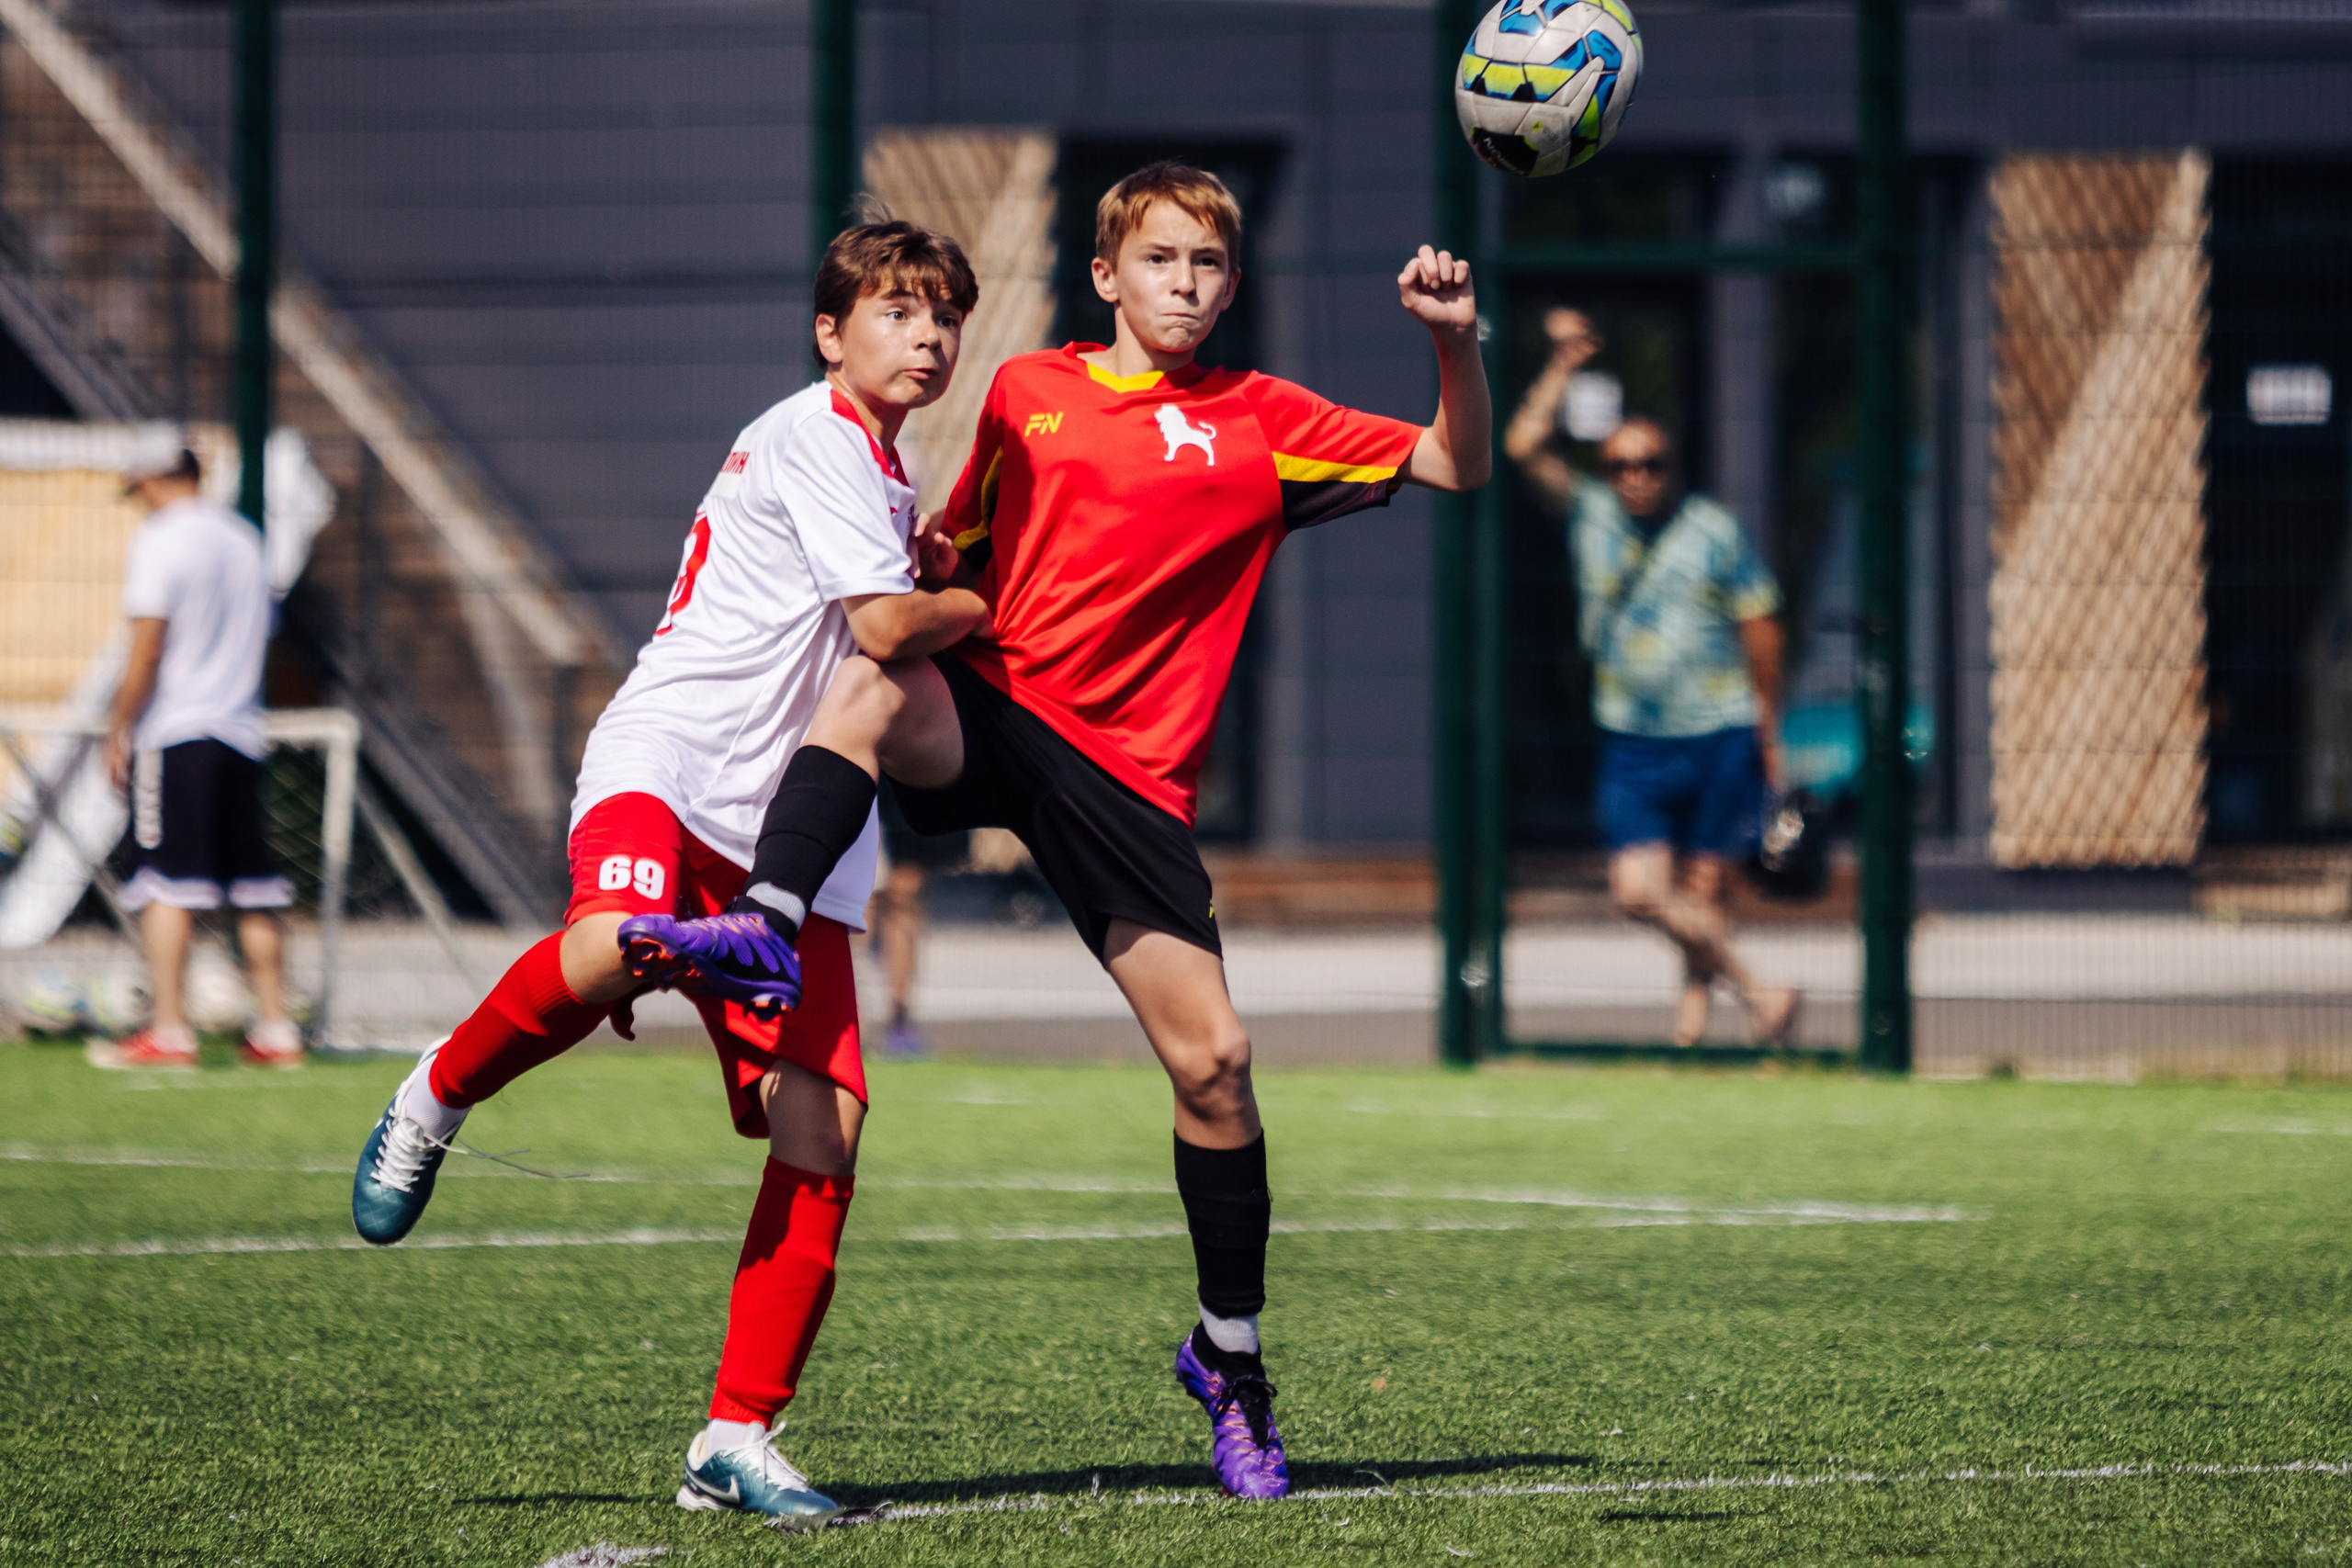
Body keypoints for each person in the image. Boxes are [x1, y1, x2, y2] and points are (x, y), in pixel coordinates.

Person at [617, 162, 1491, 1501]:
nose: (1184, 286)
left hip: (1132, 784)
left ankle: (1231, 1361)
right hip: (1003, 709)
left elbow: (1452, 460)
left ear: (1231, 284)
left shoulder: (1263, 421)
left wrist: (1452, 344)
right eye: (1159, 261)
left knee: (1219, 1064)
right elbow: (950, 554)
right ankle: (766, 921)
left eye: (1207, 265)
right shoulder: (1029, 394)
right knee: (875, 682)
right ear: (1107, 276)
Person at [345, 220, 990, 1525]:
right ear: (831, 332)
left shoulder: (884, 469)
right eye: (897, 311)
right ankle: (434, 1093)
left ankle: (734, 1439)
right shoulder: (814, 433)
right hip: (675, 759)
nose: (926, 336)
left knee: (826, 1127)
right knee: (607, 944)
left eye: (943, 316)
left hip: (793, 826)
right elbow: (882, 627)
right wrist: (988, 599)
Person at [1506, 311, 1800, 1049]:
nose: (1635, 477)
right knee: (1640, 893)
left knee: (1703, 891)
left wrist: (1770, 731)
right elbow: (1520, 445)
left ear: (1672, 466)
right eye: (1621, 465)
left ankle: (1693, 1031)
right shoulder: (1590, 514)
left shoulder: (1710, 530)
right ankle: (1763, 990)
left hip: (1717, 727)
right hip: (1633, 736)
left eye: (1650, 464)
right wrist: (1564, 364)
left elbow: (1761, 624)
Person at [89, 437, 300, 1070]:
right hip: (240, 731)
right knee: (253, 885)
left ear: (152, 479)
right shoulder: (242, 538)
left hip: (177, 731)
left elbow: (148, 645)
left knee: (165, 884)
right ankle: (275, 1027)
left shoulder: (161, 539)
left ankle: (169, 1029)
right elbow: (264, 635)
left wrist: (118, 726)